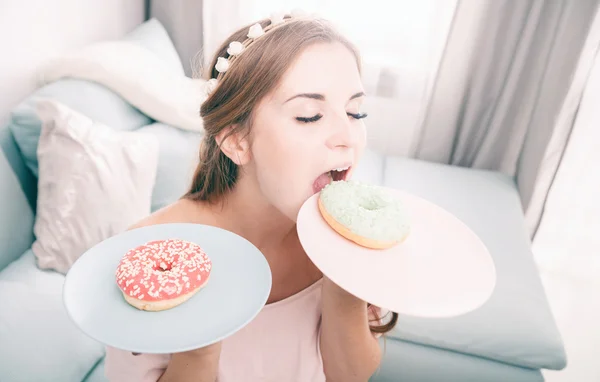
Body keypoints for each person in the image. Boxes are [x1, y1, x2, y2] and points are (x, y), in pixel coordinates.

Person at [105, 11, 398, 382]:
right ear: (236, 141)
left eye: (356, 112)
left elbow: (349, 375)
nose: (348, 135)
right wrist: (199, 343)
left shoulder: (350, 238)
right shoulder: (146, 254)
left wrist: (344, 279)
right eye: (309, 115)